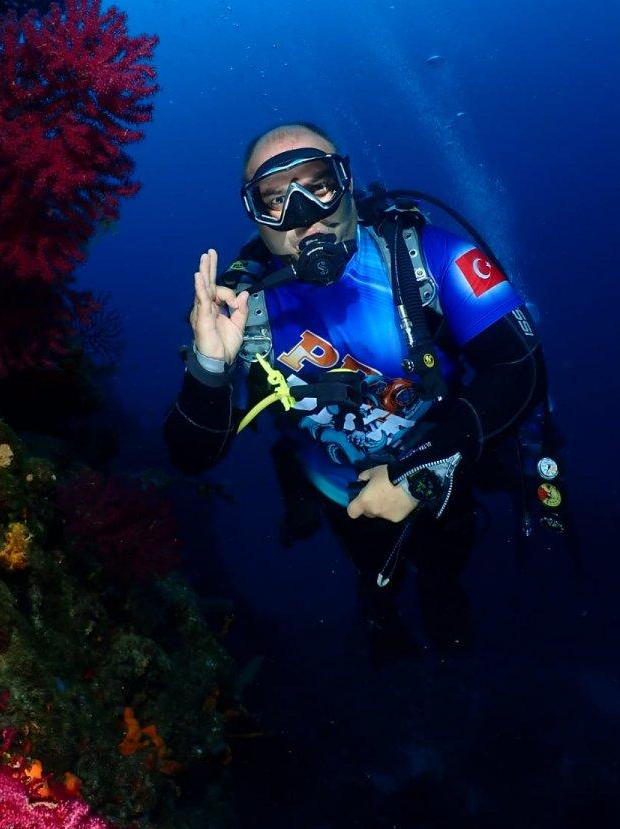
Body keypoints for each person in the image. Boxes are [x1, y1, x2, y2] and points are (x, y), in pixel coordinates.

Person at [163, 122, 546, 662]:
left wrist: (424, 468)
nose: (302, 216)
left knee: (445, 559)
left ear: (346, 181)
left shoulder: (429, 261)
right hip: (339, 488)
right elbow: (189, 456)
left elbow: (521, 368)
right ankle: (379, 609)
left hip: (441, 462)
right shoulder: (243, 312)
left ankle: (440, 595)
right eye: (274, 199)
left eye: (317, 185)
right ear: (254, 216)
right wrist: (209, 367)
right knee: (374, 571)